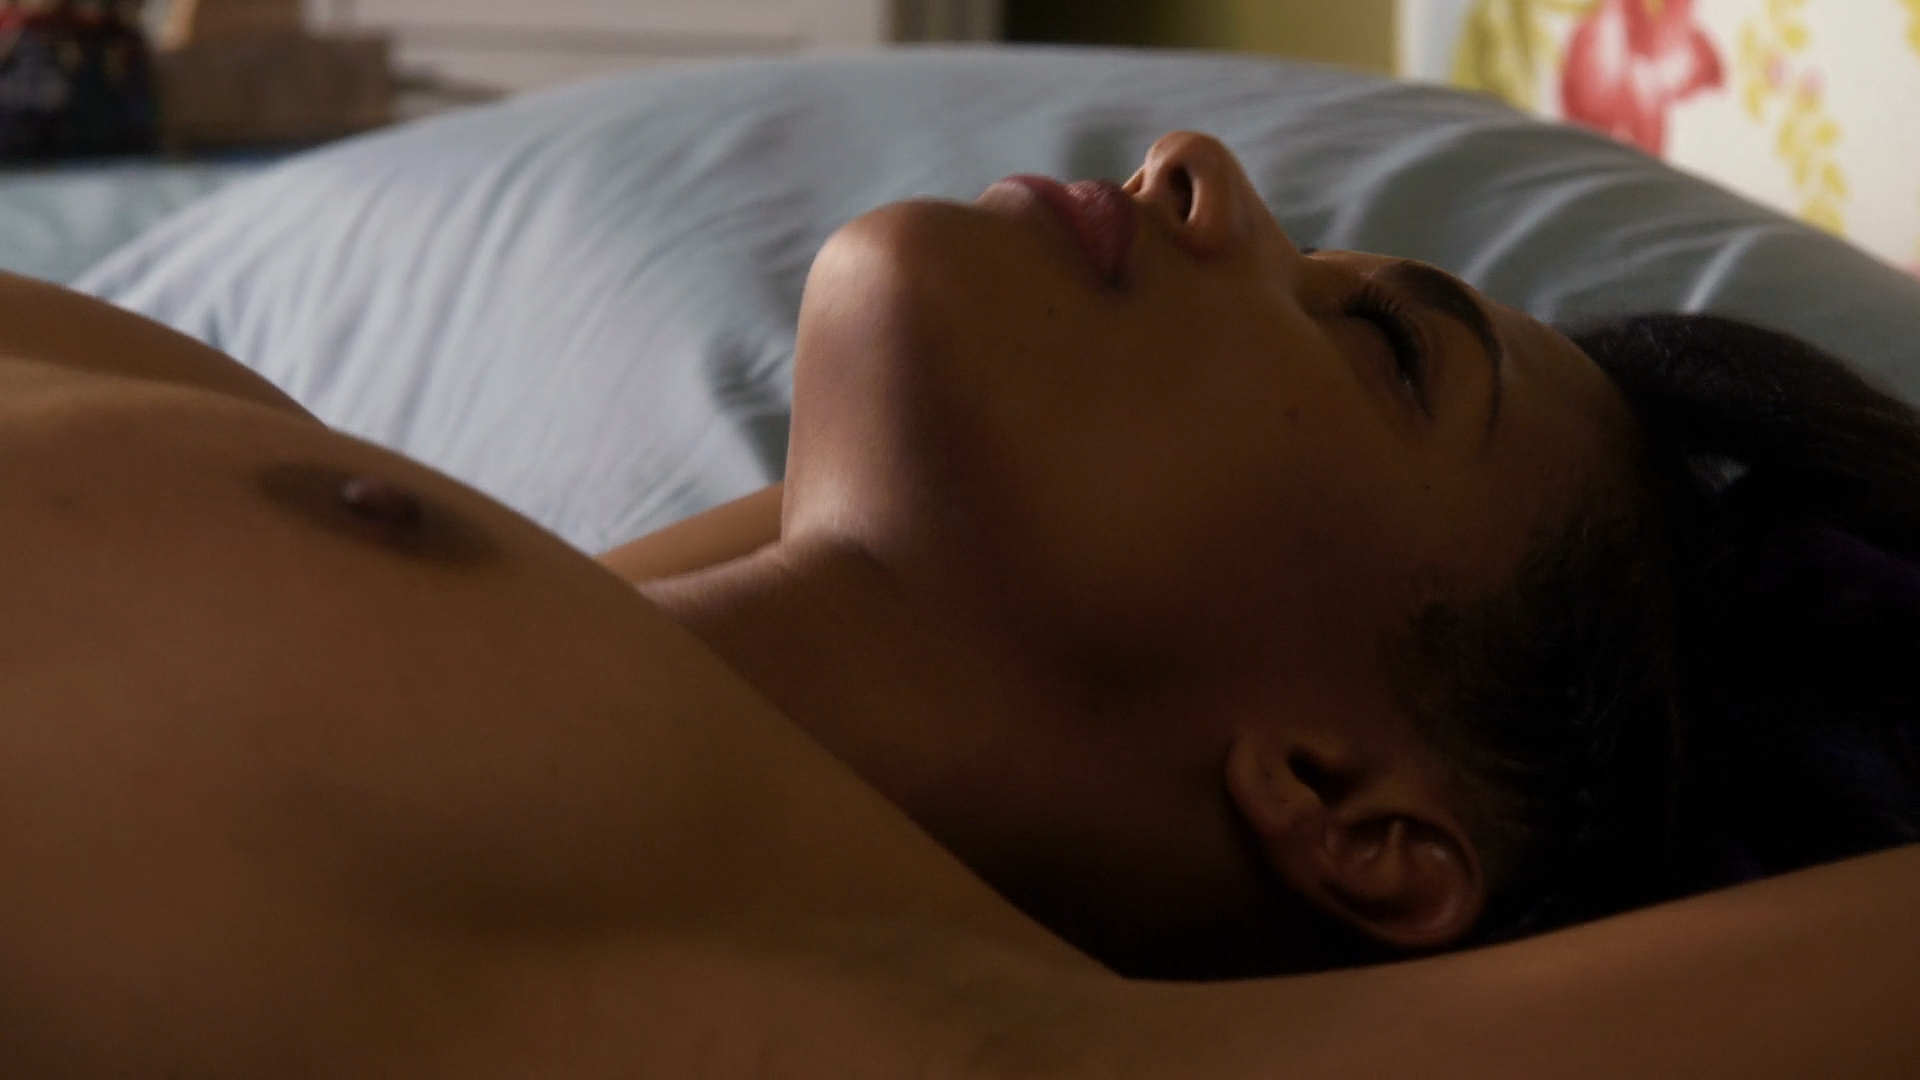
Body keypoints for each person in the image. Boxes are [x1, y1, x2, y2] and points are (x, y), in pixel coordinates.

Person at [0, 130, 1913, 1077]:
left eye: (1386, 355)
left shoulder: (930, 1038)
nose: (1198, 170)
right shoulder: (303, 482)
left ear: (1351, 807)